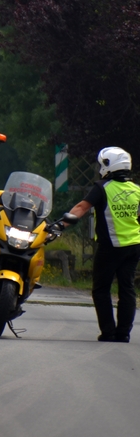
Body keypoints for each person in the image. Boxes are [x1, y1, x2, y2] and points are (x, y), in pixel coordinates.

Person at [67, 147, 140, 343]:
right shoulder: (136, 190)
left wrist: (61, 224)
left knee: (101, 289)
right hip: (133, 247)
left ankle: (108, 332)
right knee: (127, 289)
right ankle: (123, 333)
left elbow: (82, 207)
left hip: (110, 247)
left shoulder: (102, 187)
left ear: (108, 165)